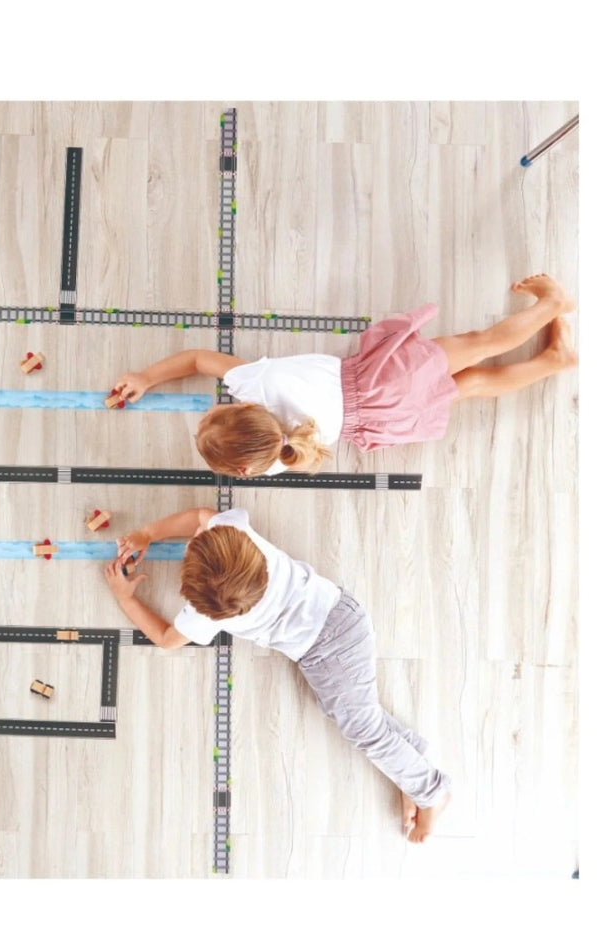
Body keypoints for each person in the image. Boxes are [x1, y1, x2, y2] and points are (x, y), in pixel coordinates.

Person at [102, 505, 451, 842]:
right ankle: (410, 765)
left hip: (325, 648)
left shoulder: (204, 616)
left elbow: (166, 639)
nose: (193, 536)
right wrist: (147, 533)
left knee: (362, 730)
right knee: (347, 713)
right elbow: (200, 516)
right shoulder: (236, 531)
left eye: (193, 544)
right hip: (340, 612)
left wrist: (126, 599)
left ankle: (430, 790)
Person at [110, 274, 577, 475]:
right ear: (245, 407)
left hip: (381, 420)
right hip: (379, 380)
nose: (207, 412)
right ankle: (553, 303)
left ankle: (552, 362)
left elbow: (248, 464)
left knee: (472, 385)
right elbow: (196, 359)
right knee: (478, 343)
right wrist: (146, 376)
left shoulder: (280, 458)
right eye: (213, 415)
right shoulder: (255, 383)